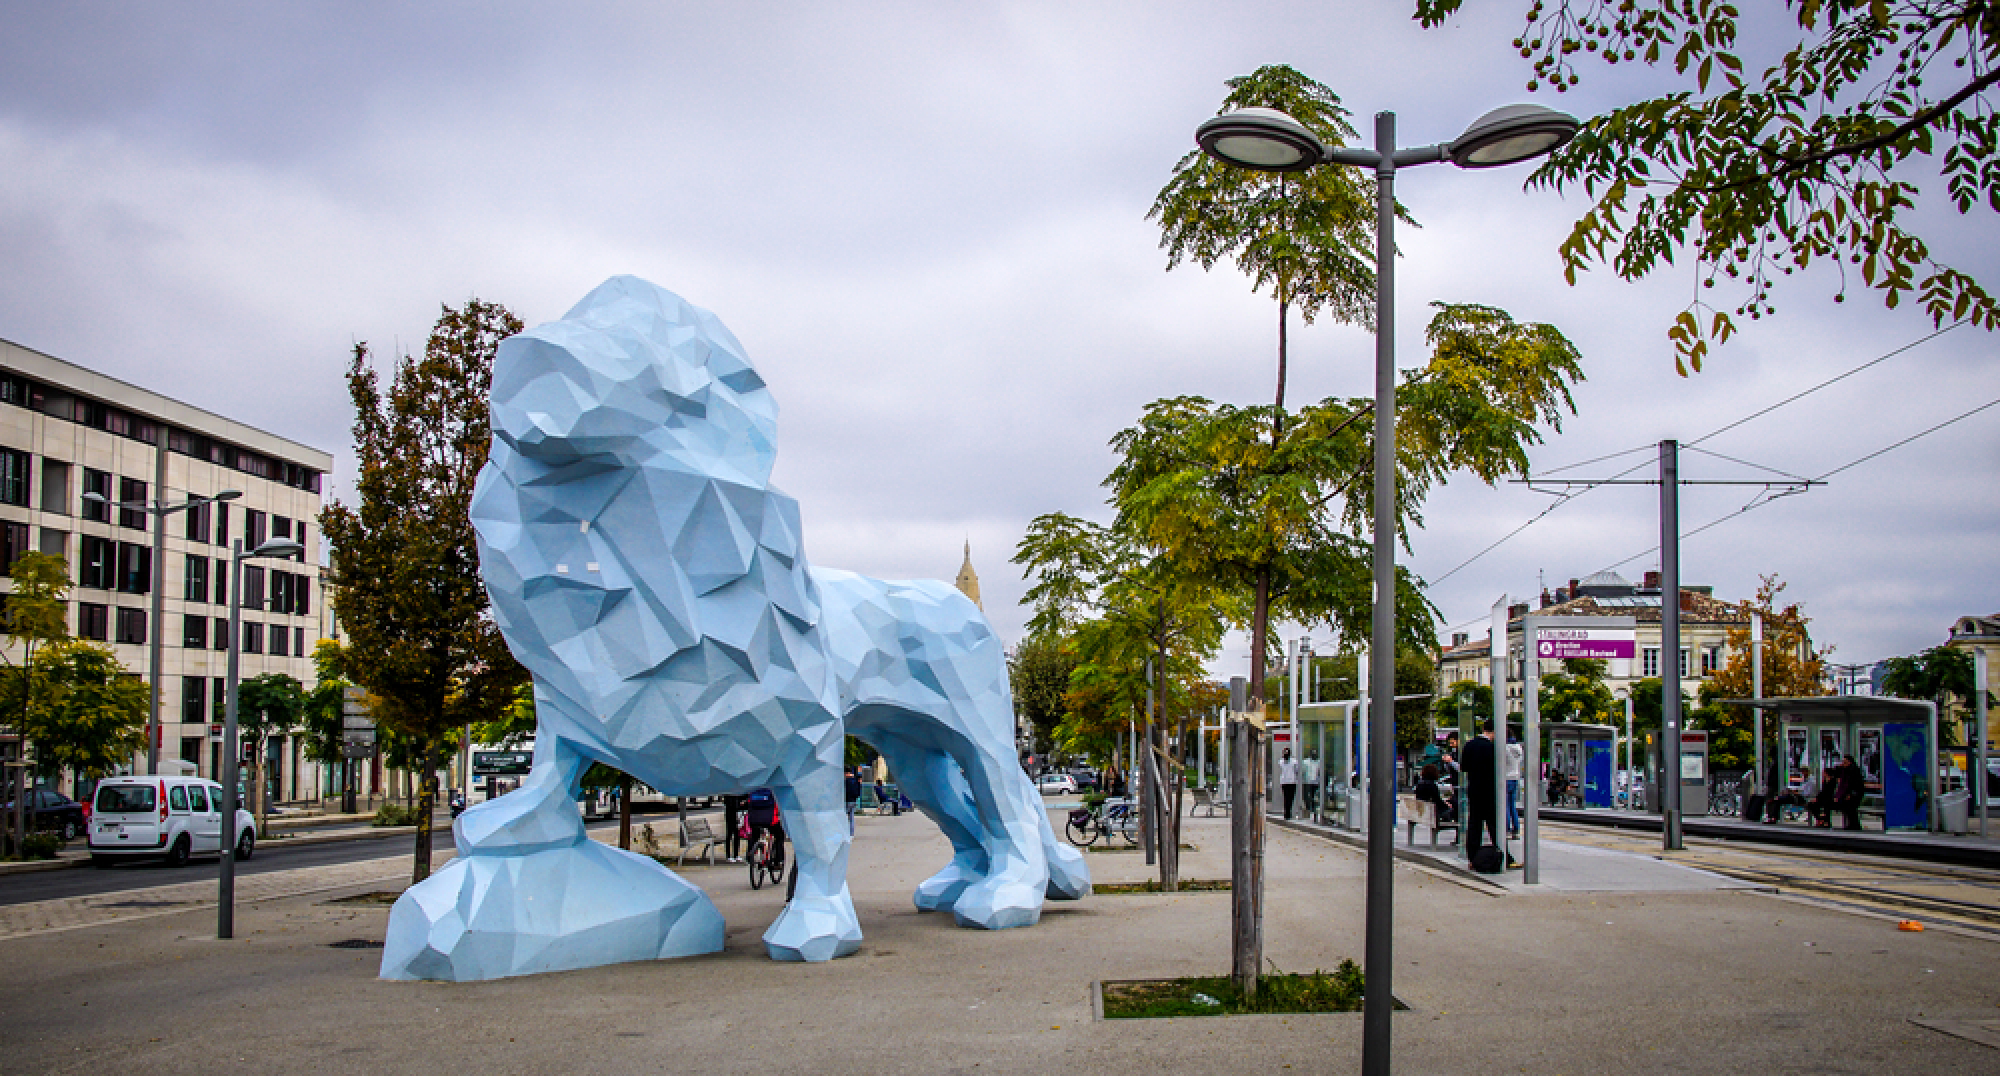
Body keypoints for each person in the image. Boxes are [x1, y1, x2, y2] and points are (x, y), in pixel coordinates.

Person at [1462, 719, 1503, 863]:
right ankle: (1502, 854)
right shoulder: (1492, 748)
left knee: (1474, 823)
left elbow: (1463, 767)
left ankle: (1472, 856)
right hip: (1489, 790)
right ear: (1495, 732)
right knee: (1493, 824)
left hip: (1474, 789)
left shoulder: (1469, 745)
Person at [743, 787, 783, 871]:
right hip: (770, 819)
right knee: (779, 836)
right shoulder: (772, 790)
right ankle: (777, 861)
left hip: (754, 819)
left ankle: (750, 852)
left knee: (754, 834)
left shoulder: (753, 790)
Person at [1830, 755, 1866, 831]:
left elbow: (1854, 784)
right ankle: (1853, 825)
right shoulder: (1844, 771)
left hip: (1854, 794)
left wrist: (1850, 794)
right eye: (1843, 762)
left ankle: (1855, 825)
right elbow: (1835, 774)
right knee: (1847, 808)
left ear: (1849, 762)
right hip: (1848, 794)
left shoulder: (1854, 771)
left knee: (1850, 808)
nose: (1843, 763)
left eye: (1845, 762)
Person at [1504, 731, 1524, 836]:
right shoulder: (1518, 747)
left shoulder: (1505, 748)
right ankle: (1516, 829)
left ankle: (1506, 828)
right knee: (1512, 805)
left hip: (1506, 777)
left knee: (1505, 805)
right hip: (1515, 777)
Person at [722, 792, 747, 862]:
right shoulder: (730, 794)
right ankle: (729, 855)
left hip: (736, 812)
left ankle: (736, 854)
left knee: (736, 835)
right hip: (731, 813)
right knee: (730, 834)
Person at [1278, 748, 1299, 820]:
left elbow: (1297, 770)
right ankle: (1287, 813)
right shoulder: (1281, 761)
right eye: (1284, 753)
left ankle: (1288, 812)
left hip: (1292, 782)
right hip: (1284, 782)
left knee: (1291, 798)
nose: (1285, 755)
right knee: (1286, 798)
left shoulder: (1294, 762)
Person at [844, 767, 862, 834]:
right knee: (851, 817)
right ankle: (851, 832)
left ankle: (844, 832)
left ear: (846, 773)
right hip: (854, 800)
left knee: (844, 817)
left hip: (847, 800)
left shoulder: (846, 781)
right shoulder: (856, 780)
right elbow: (859, 790)